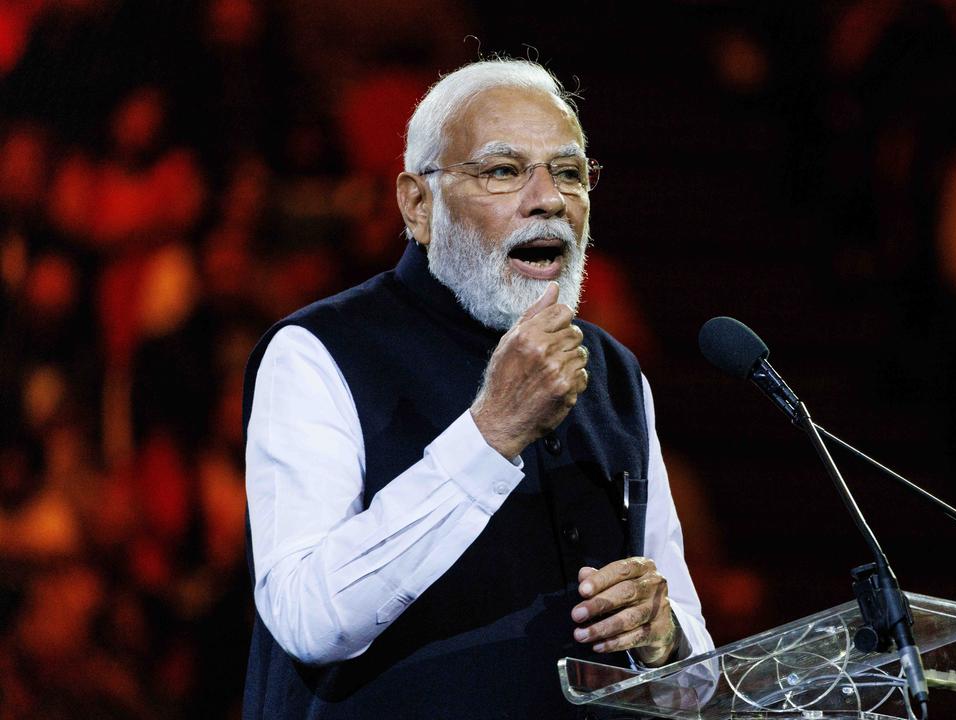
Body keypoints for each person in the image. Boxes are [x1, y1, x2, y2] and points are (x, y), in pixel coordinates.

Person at [240, 59, 714, 718]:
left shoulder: (616, 376)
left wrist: (669, 640)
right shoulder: (320, 354)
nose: (547, 197)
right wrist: (489, 437)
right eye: (503, 171)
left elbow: (692, 668)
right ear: (418, 204)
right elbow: (306, 616)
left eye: (570, 172)